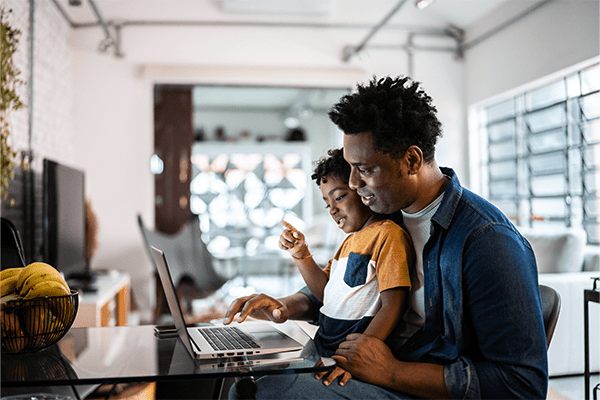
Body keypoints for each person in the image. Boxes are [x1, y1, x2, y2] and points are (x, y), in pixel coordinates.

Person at [224, 76, 548, 399]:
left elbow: (521, 384)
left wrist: (392, 371)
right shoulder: (384, 214)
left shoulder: (487, 241)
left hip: (408, 382)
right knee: (237, 377)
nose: (352, 184)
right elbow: (344, 289)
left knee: (268, 394)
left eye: (364, 169)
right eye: (350, 168)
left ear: (411, 161)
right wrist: (284, 306)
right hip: (367, 365)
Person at [277, 148, 414, 385]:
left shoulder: (388, 235)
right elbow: (325, 294)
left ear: (362, 190)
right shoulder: (350, 241)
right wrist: (301, 255)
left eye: (339, 197)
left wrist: (356, 359)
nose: (332, 209)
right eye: (327, 202)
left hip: (345, 359)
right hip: (322, 349)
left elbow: (393, 306)